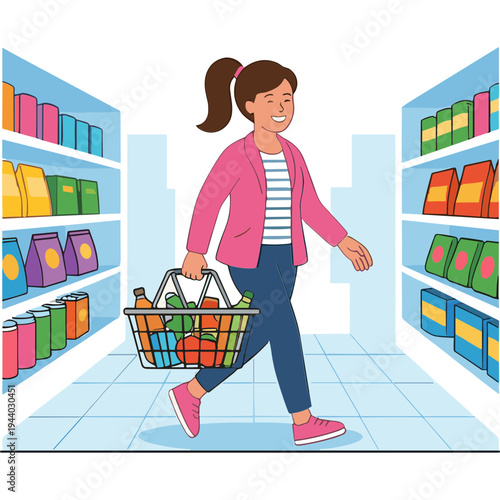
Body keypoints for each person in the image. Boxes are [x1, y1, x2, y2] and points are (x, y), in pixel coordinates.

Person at [169, 58, 373, 446]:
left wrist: (341, 240)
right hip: (248, 258)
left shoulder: (292, 153)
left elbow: (308, 204)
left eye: (288, 98)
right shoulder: (236, 154)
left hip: (287, 257)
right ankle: (302, 419)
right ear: (249, 106)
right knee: (285, 329)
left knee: (264, 332)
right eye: (271, 99)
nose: (282, 108)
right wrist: (196, 250)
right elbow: (208, 201)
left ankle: (192, 391)